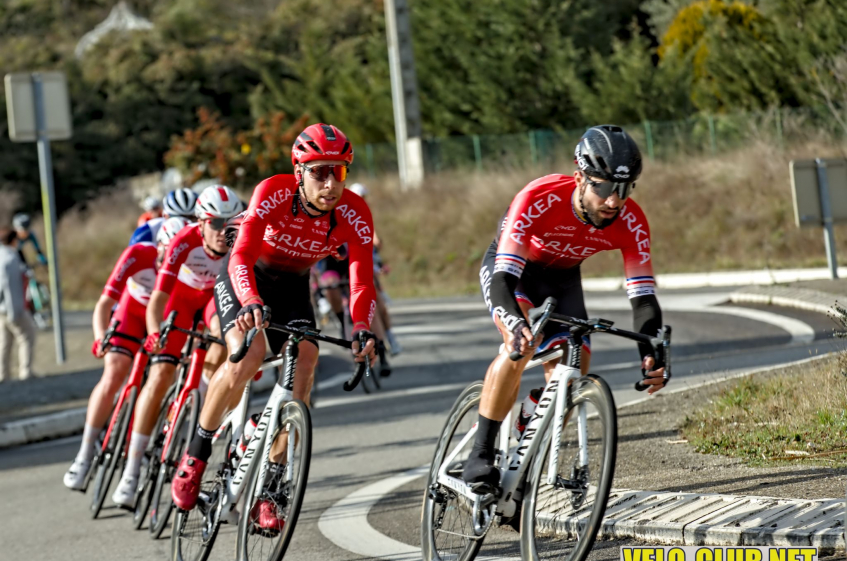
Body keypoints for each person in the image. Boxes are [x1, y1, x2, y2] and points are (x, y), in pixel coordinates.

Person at [170, 124, 378, 531]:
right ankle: (194, 456)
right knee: (245, 357)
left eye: (339, 172)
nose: (331, 183)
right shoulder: (273, 192)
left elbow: (362, 281)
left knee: (306, 363)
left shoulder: (355, 212)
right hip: (247, 278)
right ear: (299, 172)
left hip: (293, 287)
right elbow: (240, 255)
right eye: (319, 172)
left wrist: (362, 327)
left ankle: (270, 490)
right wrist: (250, 302)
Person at [462, 125, 668, 491]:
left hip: (563, 279)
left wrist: (651, 350)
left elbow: (643, 297)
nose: (614, 201)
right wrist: (515, 323)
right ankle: (480, 453)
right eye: (604, 187)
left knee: (574, 373)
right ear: (579, 178)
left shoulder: (631, 220)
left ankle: (528, 425)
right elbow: (503, 279)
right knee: (519, 346)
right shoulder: (538, 197)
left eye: (624, 188)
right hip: (514, 273)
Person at [110, 185, 238, 507]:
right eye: (217, 223)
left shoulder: (237, 242)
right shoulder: (184, 241)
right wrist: (155, 334)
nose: (225, 231)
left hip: (210, 299)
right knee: (161, 374)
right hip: (178, 300)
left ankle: (204, 401)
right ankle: (132, 469)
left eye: (231, 222)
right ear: (201, 222)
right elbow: (158, 300)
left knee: (225, 335)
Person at [62, 217, 189, 490]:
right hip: (130, 311)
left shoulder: (187, 267)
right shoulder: (138, 254)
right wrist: (99, 338)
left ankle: (139, 448)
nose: (172, 259)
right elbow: (105, 302)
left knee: (161, 378)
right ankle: (83, 456)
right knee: (115, 370)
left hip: (163, 318)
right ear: (159, 246)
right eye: (167, 251)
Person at [347, 183, 402, 355]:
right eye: (359, 198)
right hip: (345, 268)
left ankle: (390, 337)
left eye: (364, 198)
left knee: (380, 304)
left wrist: (380, 265)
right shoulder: (345, 215)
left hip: (367, 266)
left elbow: (376, 245)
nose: (363, 201)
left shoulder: (364, 216)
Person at [0, 227, 36, 382]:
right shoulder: (10, 258)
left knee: (4, 342)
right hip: (12, 308)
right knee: (27, 336)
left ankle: (3, 374)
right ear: (13, 240)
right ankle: (25, 371)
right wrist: (16, 312)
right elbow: (11, 287)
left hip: (1, 308)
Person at [129, 188, 198, 246]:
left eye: (192, 218)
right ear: (165, 216)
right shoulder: (147, 230)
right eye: (178, 219)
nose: (186, 223)